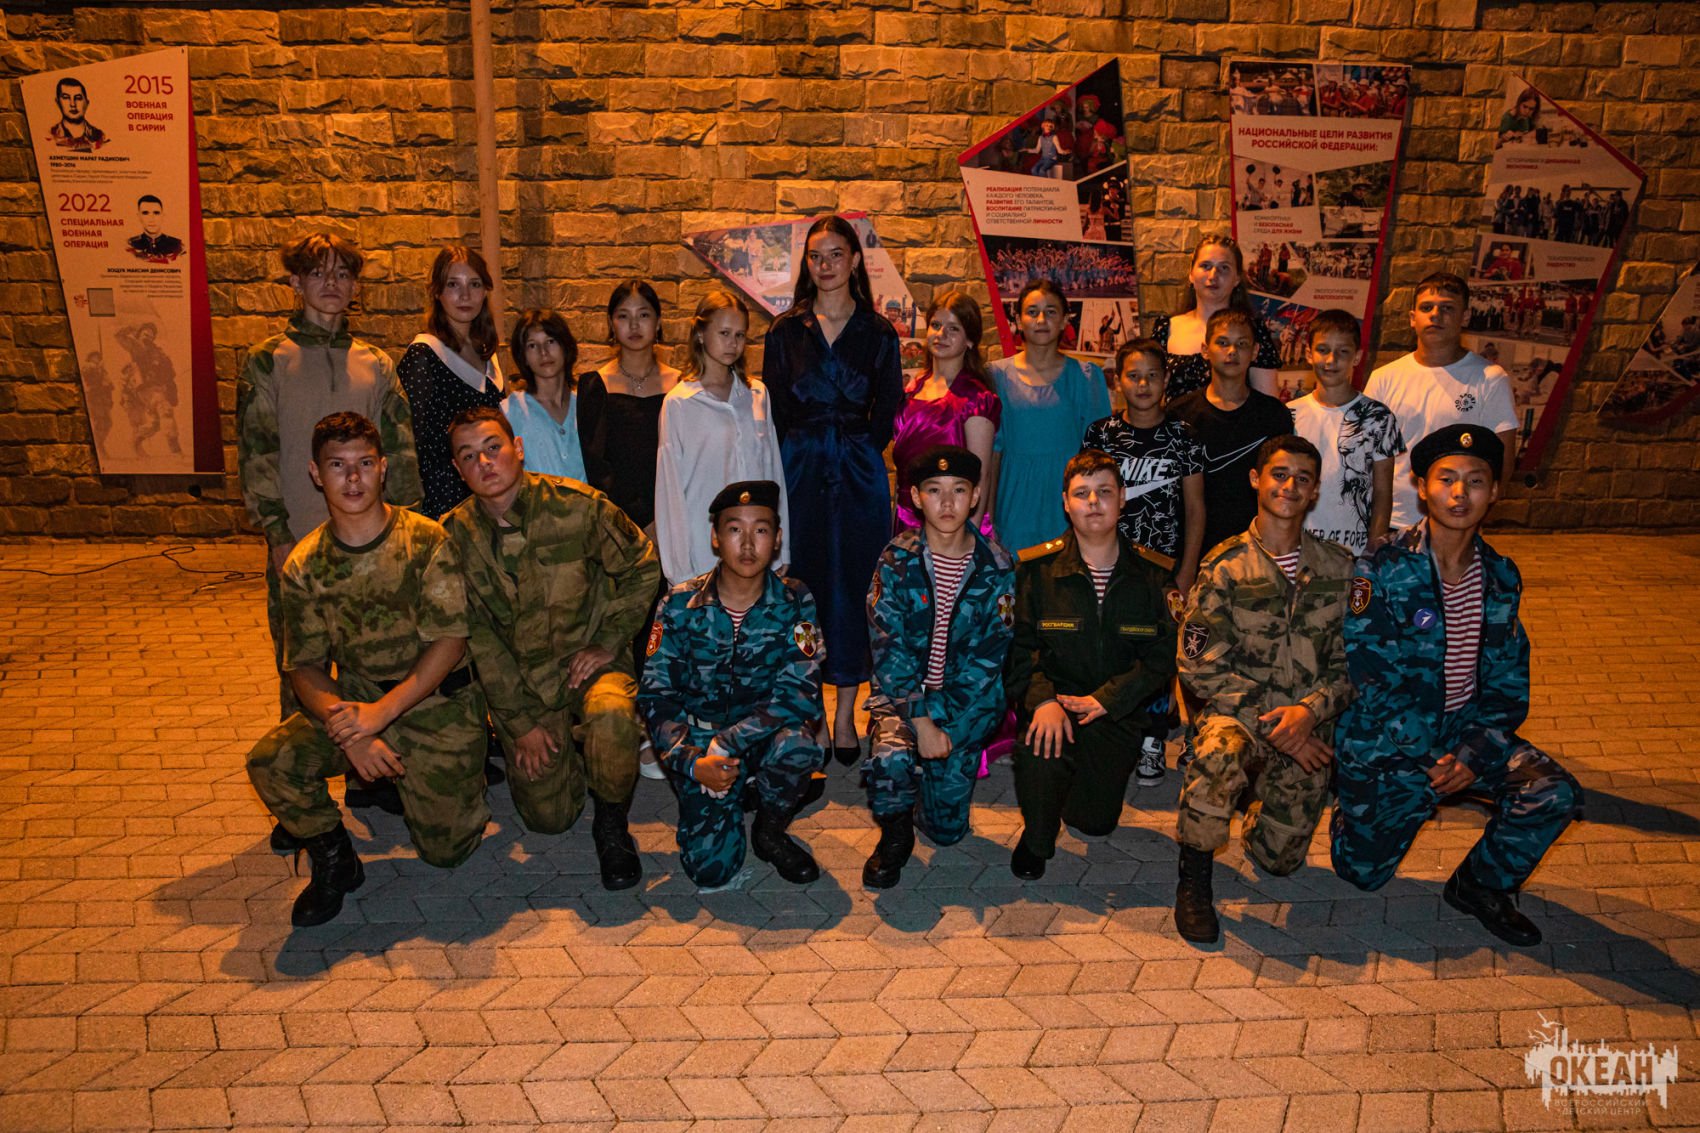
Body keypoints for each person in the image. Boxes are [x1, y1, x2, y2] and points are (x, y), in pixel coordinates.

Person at [1331, 426, 1581, 945]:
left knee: (1551, 790)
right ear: (1422, 487)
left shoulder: (1501, 576)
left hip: (1463, 731)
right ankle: (1351, 806)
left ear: (1495, 492)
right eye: (1446, 479)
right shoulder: (1382, 564)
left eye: (1476, 481)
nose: (1460, 493)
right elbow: (1370, 675)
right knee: (1362, 872)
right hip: (1393, 739)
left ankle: (1480, 885)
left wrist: (1472, 752)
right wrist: (1431, 759)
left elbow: (1508, 680)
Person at [245, 412, 489, 927]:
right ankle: (335, 858)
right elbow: (305, 666)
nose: (352, 478)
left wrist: (381, 715)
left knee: (448, 852)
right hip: (356, 705)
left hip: (435, 705)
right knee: (271, 760)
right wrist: (352, 733)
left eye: (364, 464)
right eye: (338, 465)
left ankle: (440, 780)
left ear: (383, 468)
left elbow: (450, 642)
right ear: (316, 473)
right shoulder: (305, 564)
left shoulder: (425, 540)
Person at [441, 406, 661, 890]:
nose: (485, 463)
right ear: (457, 469)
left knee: (612, 717)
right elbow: (478, 640)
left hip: (591, 665)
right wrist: (519, 724)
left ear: (517, 448)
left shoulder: (577, 506)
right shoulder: (452, 538)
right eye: (469, 456)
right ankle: (578, 756)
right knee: (549, 820)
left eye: (493, 447)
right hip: (524, 685)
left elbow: (643, 566)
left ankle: (611, 823)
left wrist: (609, 640)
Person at [236, 232, 424, 734]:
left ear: (355, 286)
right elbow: (257, 453)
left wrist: (408, 534)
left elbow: (400, 454)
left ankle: (373, 764)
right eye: (317, 273)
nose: (331, 284)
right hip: (300, 543)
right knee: (302, 671)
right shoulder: (267, 360)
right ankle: (303, 767)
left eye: (342, 274)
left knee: (377, 664)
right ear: (295, 282)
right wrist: (277, 535)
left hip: (371, 545)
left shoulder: (376, 364)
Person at [1172, 436, 1354, 944]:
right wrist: (1279, 723)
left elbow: (1354, 664)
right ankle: (1194, 879)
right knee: (1218, 754)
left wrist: (1309, 712)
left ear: (1314, 491)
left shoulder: (1340, 569)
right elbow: (1197, 664)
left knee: (1279, 862)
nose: (1289, 485)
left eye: (1302, 478)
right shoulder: (1225, 565)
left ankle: (1258, 807)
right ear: (1256, 480)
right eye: (1279, 474)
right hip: (1242, 717)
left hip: (1306, 724)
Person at [762, 216, 905, 766]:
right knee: (805, 585)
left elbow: (887, 408)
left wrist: (859, 450)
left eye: (836, 254)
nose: (825, 265)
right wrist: (799, 455)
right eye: (815, 256)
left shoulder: (878, 332)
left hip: (859, 473)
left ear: (854, 260)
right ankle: (814, 717)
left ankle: (846, 716)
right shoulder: (784, 332)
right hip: (799, 470)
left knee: (855, 589)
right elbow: (774, 409)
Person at [640, 481, 823, 889]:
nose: (748, 544)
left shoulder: (796, 600)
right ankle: (732, 794)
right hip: (698, 743)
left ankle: (769, 830)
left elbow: (801, 692)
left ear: (777, 539)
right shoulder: (679, 605)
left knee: (799, 745)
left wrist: (729, 743)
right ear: (715, 537)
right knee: (712, 870)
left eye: (761, 530)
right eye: (735, 529)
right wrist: (693, 762)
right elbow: (656, 696)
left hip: (760, 736)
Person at [1005, 451, 1176, 880]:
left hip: (1115, 713)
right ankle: (1037, 837)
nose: (1094, 502)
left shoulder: (1153, 575)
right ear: (1066, 502)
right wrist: (1043, 701)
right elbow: (1020, 649)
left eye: (1104, 492)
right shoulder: (1037, 571)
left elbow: (1162, 657)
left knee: (1094, 823)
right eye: (1082, 494)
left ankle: (1075, 792)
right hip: (1057, 704)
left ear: (1122, 498)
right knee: (1040, 750)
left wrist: (1108, 700)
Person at [863, 446, 1016, 889]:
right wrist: (922, 722)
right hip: (904, 698)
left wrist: (944, 720)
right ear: (915, 497)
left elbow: (990, 657)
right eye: (934, 490)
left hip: (965, 703)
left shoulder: (996, 565)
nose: (947, 503)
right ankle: (895, 836)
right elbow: (888, 651)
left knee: (947, 832)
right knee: (891, 759)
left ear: (976, 496)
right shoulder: (896, 559)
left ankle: (929, 795)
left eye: (959, 490)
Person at [654, 288, 789, 586]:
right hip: (702, 550)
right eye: (724, 333)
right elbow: (670, 490)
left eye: (740, 335)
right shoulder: (679, 403)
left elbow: (773, 473)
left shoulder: (757, 394)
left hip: (754, 548)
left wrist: (782, 551)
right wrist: (679, 571)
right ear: (701, 334)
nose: (733, 343)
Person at [1363, 273, 1518, 530]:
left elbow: (1503, 461)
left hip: (1457, 523)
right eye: (1426, 308)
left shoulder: (1489, 378)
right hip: (1392, 522)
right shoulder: (1384, 379)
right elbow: (1365, 456)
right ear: (1412, 318)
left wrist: (1474, 519)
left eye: (1447, 308)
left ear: (1465, 317)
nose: (1435, 315)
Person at [988, 279, 1112, 554]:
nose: (1041, 320)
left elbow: (1100, 458)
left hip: (1069, 509)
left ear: (1065, 320)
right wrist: (988, 520)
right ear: (1018, 320)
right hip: (1014, 506)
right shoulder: (996, 377)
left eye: (1051, 311)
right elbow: (992, 456)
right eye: (1032, 312)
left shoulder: (1086, 377)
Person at [1167, 307, 1295, 559]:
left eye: (1242, 344)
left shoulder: (1273, 414)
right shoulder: (1179, 413)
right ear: (1205, 350)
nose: (1232, 351)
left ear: (1255, 352)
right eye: (1223, 343)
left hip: (1257, 549)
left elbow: (1282, 486)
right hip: (1194, 549)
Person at [398, 245, 506, 520]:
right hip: (444, 507)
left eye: (474, 284)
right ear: (437, 292)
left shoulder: (487, 355)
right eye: (453, 284)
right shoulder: (424, 356)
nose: (465, 295)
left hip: (489, 499)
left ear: (485, 291)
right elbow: (413, 446)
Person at [1286, 309, 1403, 554]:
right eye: (1323, 350)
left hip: (1354, 551)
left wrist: (1374, 550)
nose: (1331, 360)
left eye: (1342, 352)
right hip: (1299, 549)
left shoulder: (1378, 417)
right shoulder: (1289, 415)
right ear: (1308, 353)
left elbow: (1383, 492)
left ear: (1357, 357)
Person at [890, 289, 1000, 538]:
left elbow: (981, 477)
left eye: (953, 328)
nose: (941, 334)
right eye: (936, 325)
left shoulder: (976, 399)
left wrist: (969, 540)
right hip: (907, 521)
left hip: (953, 525)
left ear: (970, 340)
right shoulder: (912, 391)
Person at [578, 279, 681, 535]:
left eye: (643, 315)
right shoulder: (595, 386)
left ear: (658, 322)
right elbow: (597, 467)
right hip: (618, 526)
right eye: (623, 316)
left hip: (676, 518)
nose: (634, 325)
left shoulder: (681, 386)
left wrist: (665, 521)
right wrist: (641, 522)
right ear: (611, 324)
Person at [1147, 236, 1283, 398]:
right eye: (1205, 266)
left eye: (1224, 268)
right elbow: (1150, 398)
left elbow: (1268, 404)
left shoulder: (1253, 330)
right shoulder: (1166, 328)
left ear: (1237, 278)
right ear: (1191, 274)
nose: (1213, 275)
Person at [501, 309, 585, 482]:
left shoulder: (585, 406)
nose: (543, 352)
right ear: (523, 357)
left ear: (565, 347)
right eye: (532, 345)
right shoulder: (511, 411)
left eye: (550, 341)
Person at [49, 76, 107, 151]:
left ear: (87, 103)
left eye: (78, 98)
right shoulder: (51, 135)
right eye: (66, 97)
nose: (72, 104)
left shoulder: (99, 136)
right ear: (58, 102)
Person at [126, 195, 184, 262]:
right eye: (145, 213)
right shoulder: (131, 245)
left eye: (156, 213)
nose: (151, 219)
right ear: (139, 216)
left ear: (163, 216)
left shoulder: (178, 246)